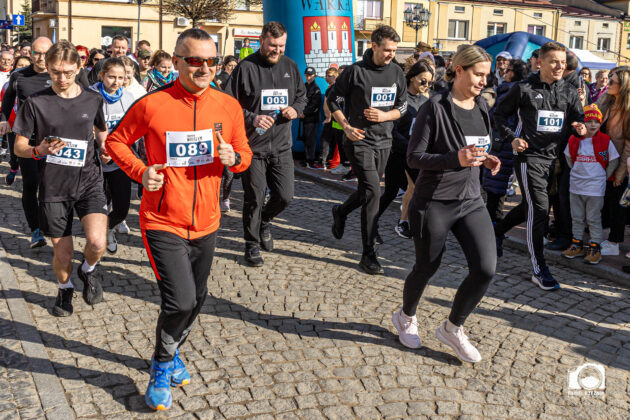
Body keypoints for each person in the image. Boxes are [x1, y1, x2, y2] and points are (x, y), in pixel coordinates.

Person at [106, 28, 252, 411]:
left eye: (211, 61)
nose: (204, 68)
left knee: (198, 298)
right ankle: (161, 364)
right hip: (162, 220)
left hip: (207, 222)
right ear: (176, 61)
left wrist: (235, 159)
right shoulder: (153, 104)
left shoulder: (228, 106)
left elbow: (244, 152)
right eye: (195, 60)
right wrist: (141, 172)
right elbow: (116, 141)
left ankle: (171, 354)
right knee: (181, 300)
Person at [392, 44, 500, 362]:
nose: (484, 81)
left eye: (487, 75)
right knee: (427, 267)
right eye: (478, 74)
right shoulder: (435, 107)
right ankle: (406, 316)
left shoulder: (482, 106)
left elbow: (474, 148)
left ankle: (452, 328)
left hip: (471, 200)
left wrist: (486, 157)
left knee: (485, 268)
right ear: (459, 70)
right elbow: (414, 157)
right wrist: (456, 158)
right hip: (434, 201)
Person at [12, 40, 109, 317]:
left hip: (89, 181)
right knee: (63, 255)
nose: (61, 78)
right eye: (55, 72)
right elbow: (19, 147)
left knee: (97, 242)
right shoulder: (36, 102)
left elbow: (100, 130)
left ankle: (88, 269)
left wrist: (105, 147)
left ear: (78, 68)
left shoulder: (93, 99)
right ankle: (65, 288)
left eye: (67, 72)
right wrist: (38, 150)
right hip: (54, 186)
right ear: (48, 68)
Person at [493, 42, 585, 291]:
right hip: (529, 157)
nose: (559, 66)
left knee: (531, 207)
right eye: (554, 61)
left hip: (555, 159)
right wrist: (512, 138)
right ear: (540, 62)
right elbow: (499, 114)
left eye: (563, 62)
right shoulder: (523, 88)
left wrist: (579, 126)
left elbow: (577, 117)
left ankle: (497, 230)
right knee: (541, 209)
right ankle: (538, 268)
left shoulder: (569, 90)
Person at [226, 21, 307, 267]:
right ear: (261, 40)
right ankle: (251, 244)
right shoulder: (245, 67)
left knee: (285, 196)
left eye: (281, 46)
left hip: (281, 146)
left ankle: (264, 221)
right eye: (273, 45)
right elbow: (227, 105)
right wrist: (252, 117)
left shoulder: (290, 66)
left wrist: (295, 109)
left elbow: (302, 96)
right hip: (252, 147)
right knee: (254, 197)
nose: (277, 50)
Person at [329, 25, 407, 274]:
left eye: (394, 50)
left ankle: (341, 211)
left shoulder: (397, 72)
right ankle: (368, 254)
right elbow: (333, 100)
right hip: (358, 140)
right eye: (387, 50)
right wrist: (346, 126)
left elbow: (402, 107)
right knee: (373, 191)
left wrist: (385, 116)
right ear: (374, 46)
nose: (391, 54)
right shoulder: (355, 71)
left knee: (366, 192)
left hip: (384, 141)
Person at [0, 37, 55, 248]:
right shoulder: (19, 75)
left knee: (50, 186)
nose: (41, 58)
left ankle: (52, 223)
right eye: (37, 53)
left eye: (45, 53)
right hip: (27, 140)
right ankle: (36, 231)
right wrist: (4, 119)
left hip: (53, 141)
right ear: (30, 53)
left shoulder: (59, 74)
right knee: (31, 184)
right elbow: (7, 98)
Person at [375, 59, 433, 240]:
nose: (426, 85)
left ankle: (410, 223)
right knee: (391, 192)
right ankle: (371, 222)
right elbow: (391, 130)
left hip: (413, 155)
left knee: (420, 188)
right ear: (412, 77)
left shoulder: (424, 100)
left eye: (430, 82)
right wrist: (409, 147)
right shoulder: (400, 98)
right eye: (423, 80)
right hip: (396, 153)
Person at [562, 104, 619, 264]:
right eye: (589, 121)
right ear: (583, 123)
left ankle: (595, 247)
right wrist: (576, 171)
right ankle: (577, 244)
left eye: (596, 122)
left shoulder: (605, 140)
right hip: (576, 186)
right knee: (577, 217)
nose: (593, 125)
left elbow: (614, 159)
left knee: (593, 219)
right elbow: (568, 157)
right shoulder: (574, 139)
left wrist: (604, 176)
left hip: (595, 188)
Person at [90, 58, 136, 254]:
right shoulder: (89, 96)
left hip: (119, 160)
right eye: (111, 77)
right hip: (94, 161)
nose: (116, 82)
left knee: (122, 208)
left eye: (121, 77)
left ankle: (108, 227)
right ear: (102, 76)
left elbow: (133, 129)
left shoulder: (129, 97)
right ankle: (97, 240)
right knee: (99, 205)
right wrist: (100, 147)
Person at [482, 59, 527, 224]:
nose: (505, 73)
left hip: (503, 141)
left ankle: (495, 224)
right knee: (500, 183)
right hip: (508, 141)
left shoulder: (510, 91)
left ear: (514, 73)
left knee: (496, 184)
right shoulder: (516, 89)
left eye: (508, 70)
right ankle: (495, 221)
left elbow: (497, 115)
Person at [599, 69, 630, 256]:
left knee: (618, 204)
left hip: (619, 162)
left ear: (623, 87)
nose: (608, 83)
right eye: (609, 79)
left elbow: (628, 145)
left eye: (613, 82)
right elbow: (590, 115)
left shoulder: (628, 110)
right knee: (606, 200)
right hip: (602, 160)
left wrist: (620, 172)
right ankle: (606, 236)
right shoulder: (606, 100)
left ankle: (614, 241)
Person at [3, 55, 31, 186]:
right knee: (14, 153)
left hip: (29, 125)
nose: (23, 67)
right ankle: (14, 168)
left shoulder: (36, 84)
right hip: (13, 123)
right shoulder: (8, 84)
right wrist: (5, 121)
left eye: (26, 65)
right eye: (20, 65)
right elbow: (4, 103)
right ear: (15, 67)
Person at [320, 67, 348, 174]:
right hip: (336, 122)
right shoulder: (335, 88)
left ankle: (346, 166)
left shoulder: (347, 88)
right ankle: (342, 164)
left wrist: (329, 117)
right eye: (339, 74)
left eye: (341, 74)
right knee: (339, 144)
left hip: (344, 122)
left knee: (344, 145)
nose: (340, 76)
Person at [300, 66, 322, 168]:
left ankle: (310, 160)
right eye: (306, 75)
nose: (308, 77)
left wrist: (304, 113)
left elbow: (315, 105)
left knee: (310, 140)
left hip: (311, 118)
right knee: (305, 138)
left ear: (315, 76)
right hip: (304, 117)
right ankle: (306, 159)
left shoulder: (316, 89)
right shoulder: (304, 86)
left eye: (310, 75)